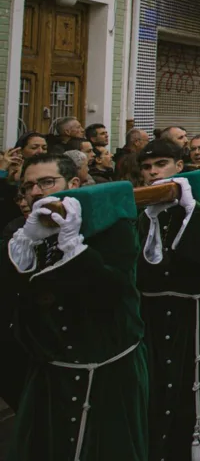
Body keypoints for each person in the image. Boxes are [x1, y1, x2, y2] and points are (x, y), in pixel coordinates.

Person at [6, 156, 149, 460]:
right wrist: (28, 242)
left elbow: (113, 291)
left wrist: (74, 246)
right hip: (49, 377)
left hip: (106, 372)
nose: (35, 192)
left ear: (73, 185)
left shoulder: (112, 227)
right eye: (28, 186)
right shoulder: (21, 233)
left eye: (46, 182)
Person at [137, 139, 200, 460]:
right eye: (147, 168)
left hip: (191, 317)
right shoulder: (139, 209)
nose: (153, 172)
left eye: (160, 164)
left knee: (190, 395)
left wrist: (190, 210)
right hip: (149, 317)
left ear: (179, 166)